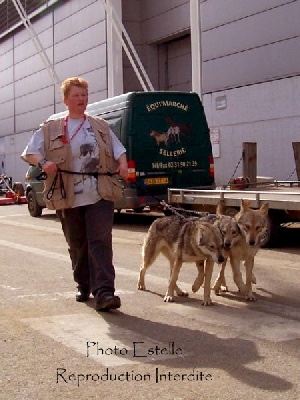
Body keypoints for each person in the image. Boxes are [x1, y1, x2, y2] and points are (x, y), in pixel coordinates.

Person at [21, 77, 128, 312]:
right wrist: (44, 162)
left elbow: (119, 149)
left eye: (85, 95)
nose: (82, 100)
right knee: (77, 243)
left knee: (100, 240)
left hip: (99, 192)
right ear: (66, 100)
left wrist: (123, 164)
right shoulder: (52, 128)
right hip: (67, 194)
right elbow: (30, 153)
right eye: (76, 96)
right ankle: (83, 283)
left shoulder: (100, 125)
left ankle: (104, 293)